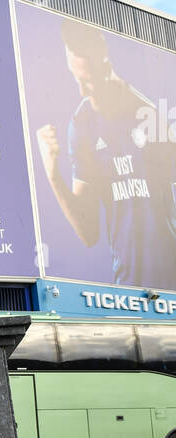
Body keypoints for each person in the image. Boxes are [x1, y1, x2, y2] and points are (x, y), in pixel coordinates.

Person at [36, 19, 176, 289]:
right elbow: (89, 233)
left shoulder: (150, 116)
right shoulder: (81, 124)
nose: (82, 91)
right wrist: (53, 174)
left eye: (88, 82)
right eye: (76, 80)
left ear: (106, 66)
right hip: (127, 287)